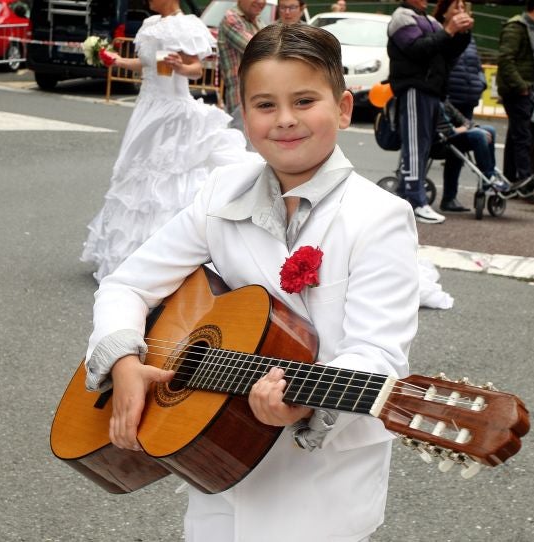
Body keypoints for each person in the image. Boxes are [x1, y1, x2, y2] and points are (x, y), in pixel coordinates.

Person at [84, 24, 420, 541]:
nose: (285, 120)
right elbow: (126, 285)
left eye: (305, 101)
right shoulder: (221, 190)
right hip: (218, 462)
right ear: (243, 115)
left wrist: (307, 399)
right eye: (265, 105)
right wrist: (125, 362)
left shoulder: (380, 217)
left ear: (345, 108)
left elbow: (376, 354)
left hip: (322, 485)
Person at [80, 0, 250, 282]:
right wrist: (117, 60)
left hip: (172, 109)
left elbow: (196, 69)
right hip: (147, 108)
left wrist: (180, 66)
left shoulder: (186, 25)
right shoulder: (149, 24)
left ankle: (172, 251)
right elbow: (147, 64)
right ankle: (130, 251)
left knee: (170, 172)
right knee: (136, 172)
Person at [387, 0, 473, 220]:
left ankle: (406, 197)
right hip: (415, 87)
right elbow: (417, 49)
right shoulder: (402, 17)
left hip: (432, 90)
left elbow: (447, 53)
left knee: (423, 145)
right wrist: (449, 30)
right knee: (416, 145)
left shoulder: (429, 19)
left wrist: (462, 33)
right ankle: (416, 201)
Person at [433, 0, 501, 210]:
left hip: (467, 97)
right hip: (449, 98)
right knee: (457, 147)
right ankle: (456, 193)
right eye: (457, 8)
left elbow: (475, 63)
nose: (462, 12)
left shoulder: (467, 37)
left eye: (464, 8)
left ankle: (479, 185)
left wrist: (480, 81)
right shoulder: (440, 34)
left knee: (462, 151)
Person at [497, 0, 534, 190]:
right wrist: (521, 86)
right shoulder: (516, 27)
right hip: (518, 92)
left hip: (531, 91)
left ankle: (512, 177)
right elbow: (505, 58)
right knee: (522, 136)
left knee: (517, 135)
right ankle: (525, 180)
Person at [436, 100, 507, 191]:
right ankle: (487, 177)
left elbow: (463, 119)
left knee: (489, 130)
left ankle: (490, 173)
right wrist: (467, 128)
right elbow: (445, 131)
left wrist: (473, 127)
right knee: (479, 136)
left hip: (455, 133)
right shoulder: (433, 103)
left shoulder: (444, 102)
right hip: (442, 141)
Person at [218, 0, 265, 130]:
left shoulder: (258, 21)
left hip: (260, 97)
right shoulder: (231, 19)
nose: (260, 2)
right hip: (242, 100)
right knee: (245, 147)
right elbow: (260, 49)